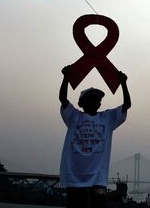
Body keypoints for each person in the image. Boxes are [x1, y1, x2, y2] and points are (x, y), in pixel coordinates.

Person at [59, 65, 131, 208]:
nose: (94, 102)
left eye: (97, 99)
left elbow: (126, 105)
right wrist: (65, 77)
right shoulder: (74, 116)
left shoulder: (107, 118)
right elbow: (63, 99)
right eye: (90, 99)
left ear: (100, 103)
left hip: (98, 177)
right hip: (74, 176)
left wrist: (123, 83)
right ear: (81, 103)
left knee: (98, 205)